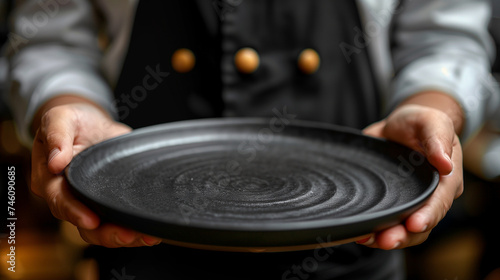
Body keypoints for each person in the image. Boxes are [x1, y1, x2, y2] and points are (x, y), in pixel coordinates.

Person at [4, 0, 498, 279]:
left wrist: (434, 108)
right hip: (143, 251)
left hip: (353, 253)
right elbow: (48, 38)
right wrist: (65, 107)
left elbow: (445, 38)